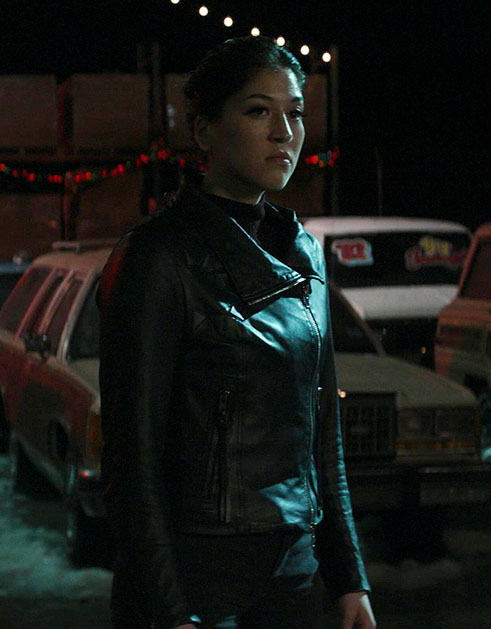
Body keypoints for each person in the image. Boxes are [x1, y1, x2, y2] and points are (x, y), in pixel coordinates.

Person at [97, 35, 376, 629]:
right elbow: (132, 459)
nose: (284, 133)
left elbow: (322, 434)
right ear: (204, 131)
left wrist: (348, 577)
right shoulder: (158, 257)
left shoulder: (303, 251)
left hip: (294, 571)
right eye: (258, 111)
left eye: (295, 113)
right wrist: (169, 611)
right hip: (201, 575)